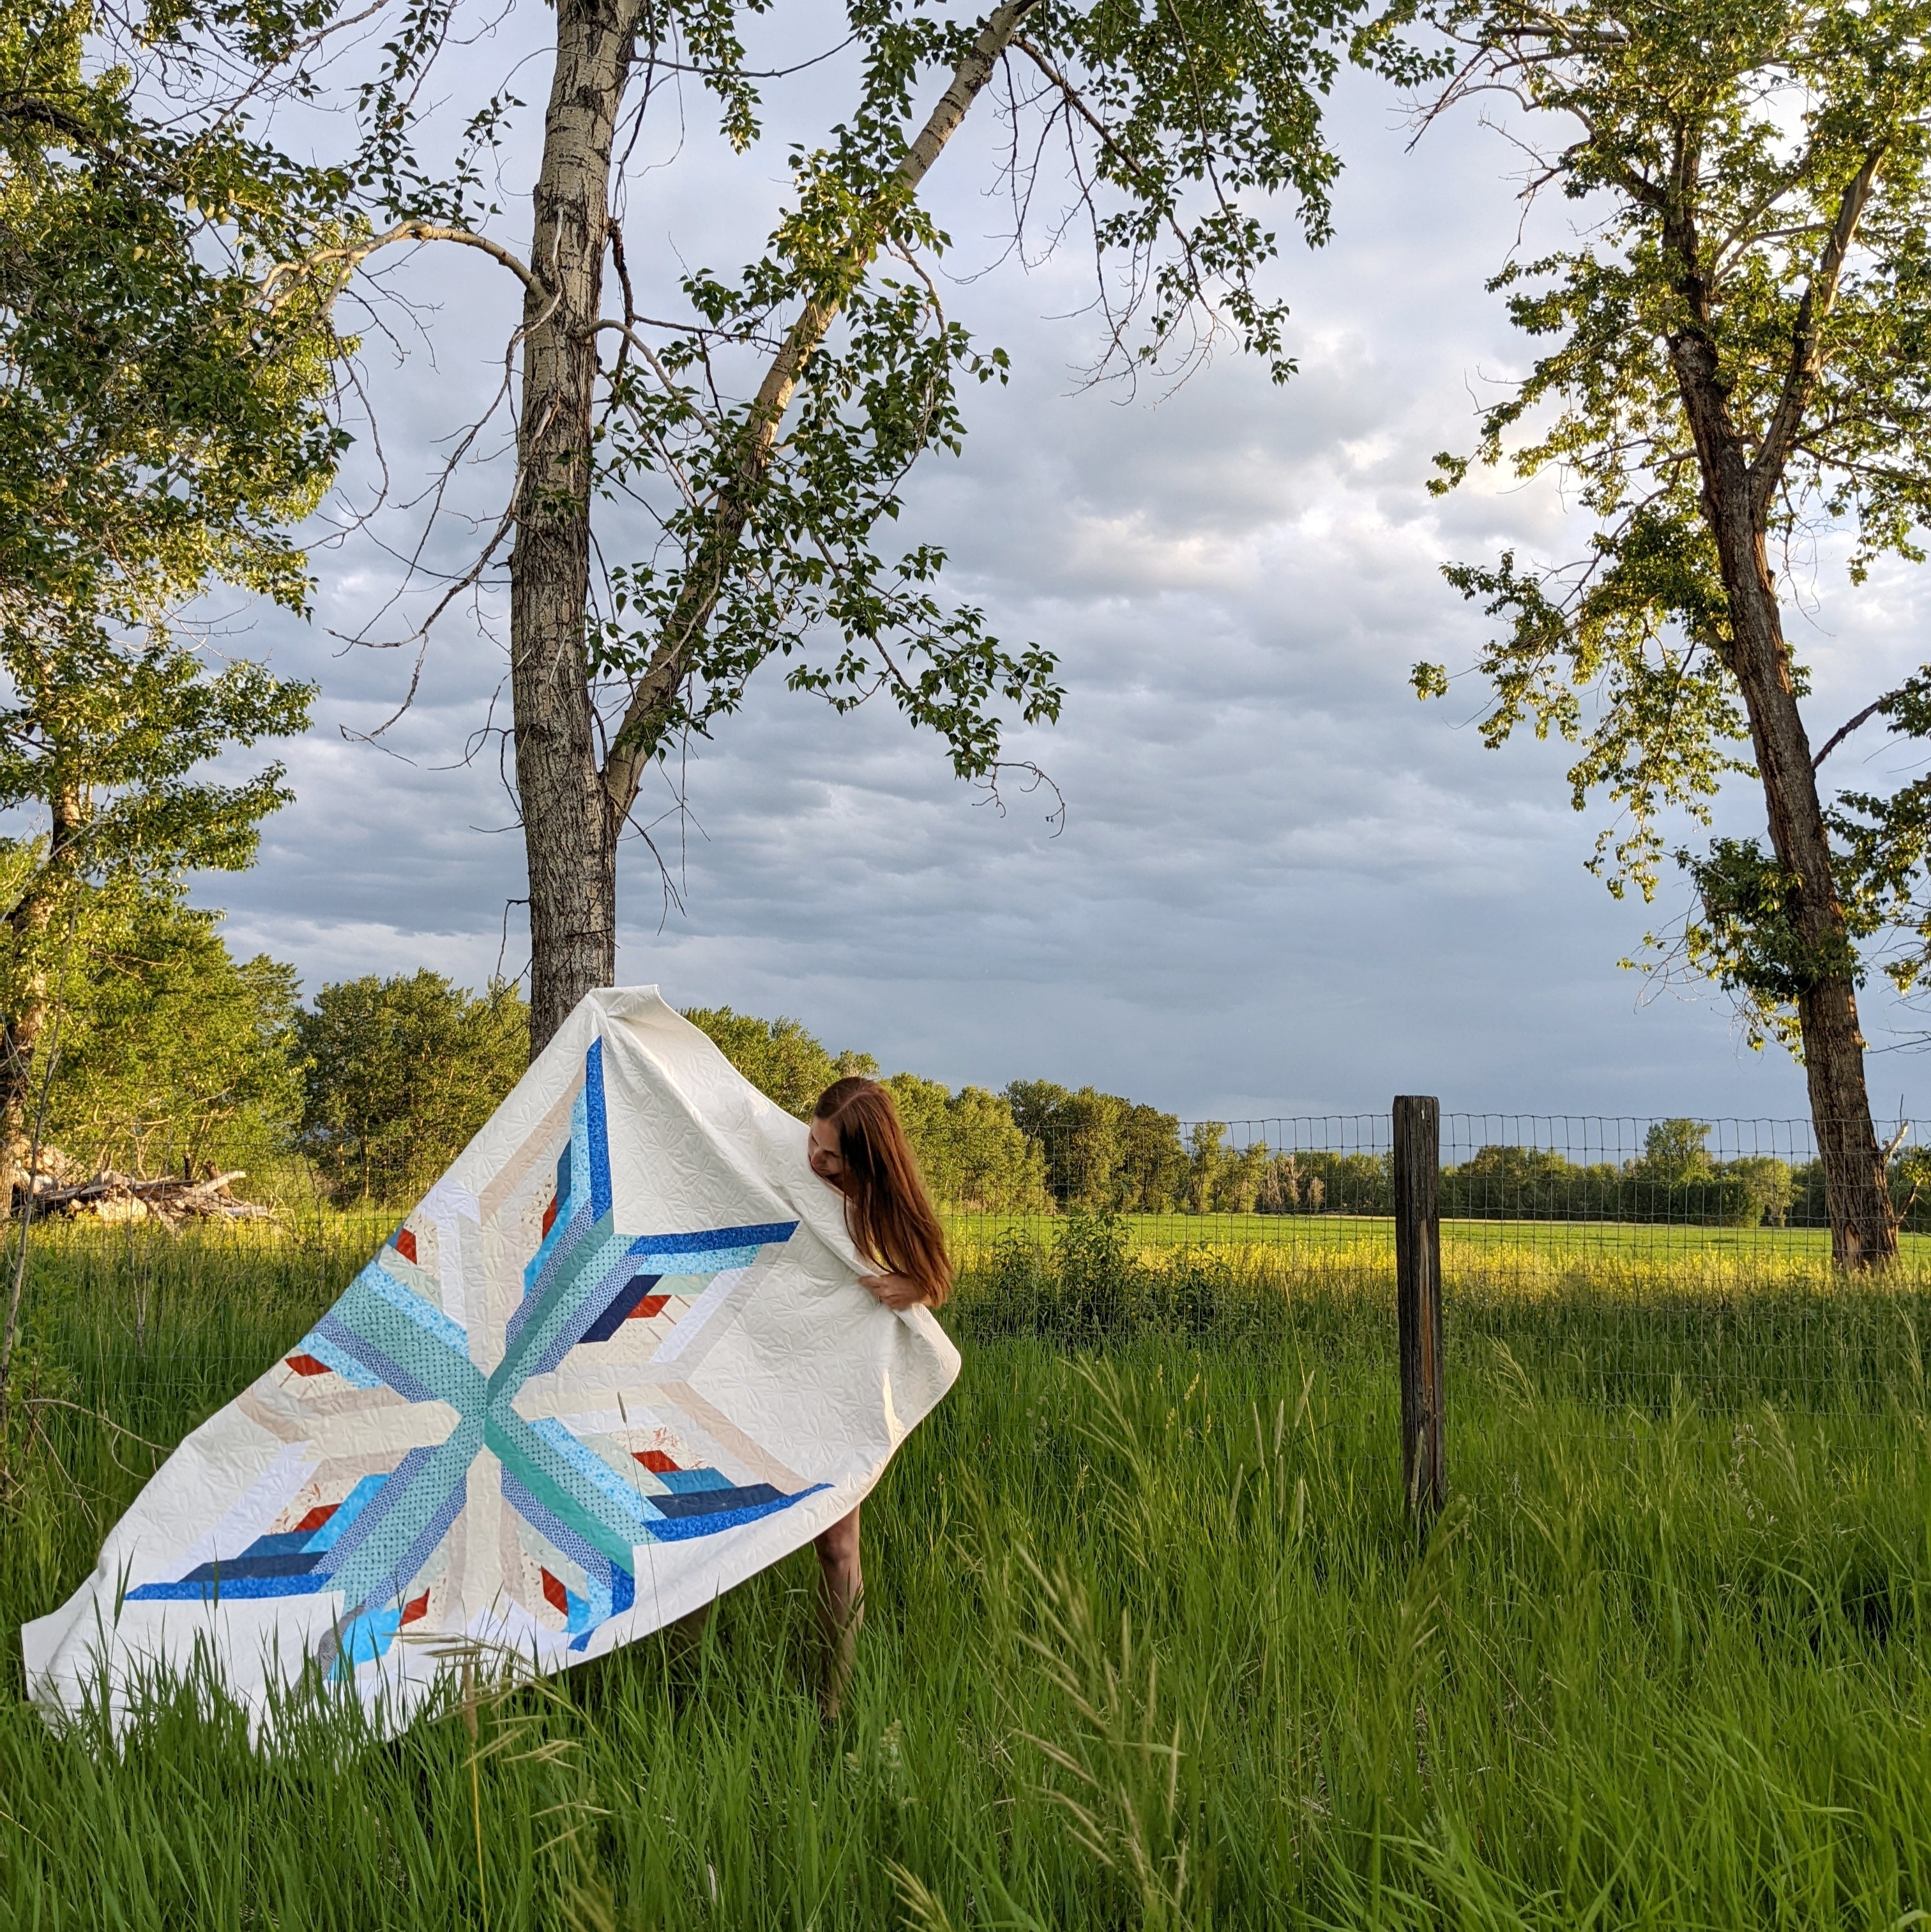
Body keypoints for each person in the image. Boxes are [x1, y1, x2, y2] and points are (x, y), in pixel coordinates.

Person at [805, 1075, 952, 1712]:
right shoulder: (785, 1168)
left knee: (837, 1548)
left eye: (831, 1155)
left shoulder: (886, 1205)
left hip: (838, 1389)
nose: (816, 1159)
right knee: (720, 1532)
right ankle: (682, 1689)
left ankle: (834, 1703)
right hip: (759, 1371)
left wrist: (913, 1288)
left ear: (865, 1161)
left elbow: (934, 1278)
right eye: (815, 1140)